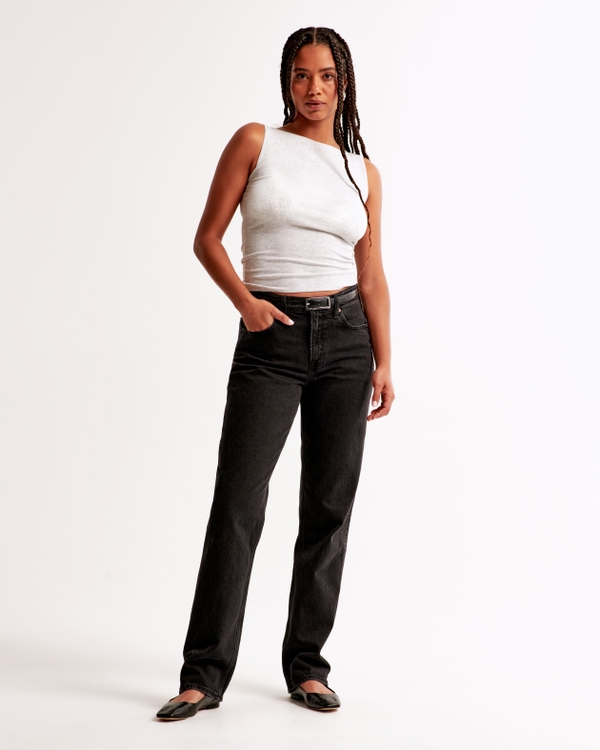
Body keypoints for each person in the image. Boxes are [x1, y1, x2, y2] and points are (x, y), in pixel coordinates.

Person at [156, 26, 394, 720]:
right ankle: (203, 675)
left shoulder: (361, 171)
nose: (314, 88)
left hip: (347, 342)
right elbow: (207, 238)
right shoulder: (256, 142)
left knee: (329, 507)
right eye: (301, 75)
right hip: (272, 340)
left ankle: (307, 667)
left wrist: (385, 359)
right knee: (238, 502)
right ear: (286, 81)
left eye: (326, 76)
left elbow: (372, 275)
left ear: (343, 84)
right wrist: (246, 303)